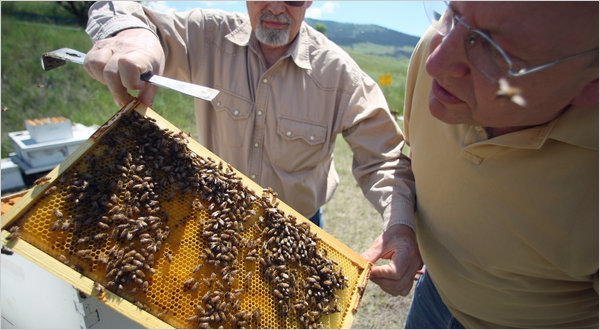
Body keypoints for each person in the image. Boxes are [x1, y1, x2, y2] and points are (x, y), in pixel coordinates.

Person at [83, 0, 422, 294]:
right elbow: (121, 9)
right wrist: (132, 38)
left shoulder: (339, 73)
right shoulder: (207, 34)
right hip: (215, 222)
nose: (276, 7)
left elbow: (384, 161)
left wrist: (401, 226)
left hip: (297, 229)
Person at [364, 1, 599, 328]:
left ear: (591, 84)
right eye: (452, 12)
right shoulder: (438, 46)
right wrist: (402, 225)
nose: (436, 62)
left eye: (496, 51)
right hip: (431, 294)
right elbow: (412, 159)